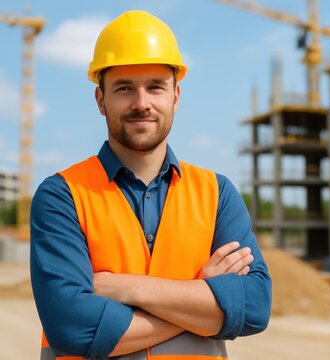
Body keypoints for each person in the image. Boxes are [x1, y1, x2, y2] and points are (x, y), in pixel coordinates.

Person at [30, 10, 271, 360]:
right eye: (124, 88)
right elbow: (73, 329)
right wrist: (203, 300)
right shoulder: (61, 196)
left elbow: (254, 307)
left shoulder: (217, 193)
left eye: (155, 87)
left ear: (176, 96)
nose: (141, 103)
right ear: (101, 100)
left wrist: (124, 287)